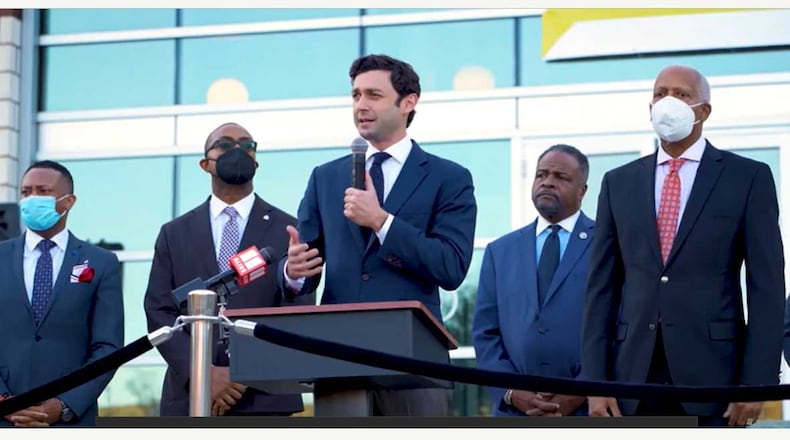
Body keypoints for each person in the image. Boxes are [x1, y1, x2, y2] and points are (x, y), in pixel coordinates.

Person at [581, 65, 785, 427]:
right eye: (660, 94)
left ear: (703, 111)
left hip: (713, 381)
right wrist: (595, 384)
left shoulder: (747, 178)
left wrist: (757, 382)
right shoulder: (618, 182)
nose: (668, 102)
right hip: (631, 380)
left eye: (681, 94)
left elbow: (766, 286)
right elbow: (601, 290)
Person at [279, 54, 477, 416]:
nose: (361, 105)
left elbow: (451, 267)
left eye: (373, 95)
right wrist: (293, 272)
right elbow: (306, 271)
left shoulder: (449, 178)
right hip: (338, 355)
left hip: (416, 361)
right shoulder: (325, 177)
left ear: (409, 102)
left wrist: (382, 221)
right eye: (355, 95)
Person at [144, 122, 309, 417]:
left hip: (265, 400)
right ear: (205, 163)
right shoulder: (174, 233)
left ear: (256, 161)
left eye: (247, 145)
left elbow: (297, 311)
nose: (238, 151)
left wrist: (240, 374)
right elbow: (158, 312)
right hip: (188, 399)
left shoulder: (290, 231)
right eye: (225, 144)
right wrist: (203, 373)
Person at [0, 160, 124, 427]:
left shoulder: (101, 263)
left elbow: (107, 348)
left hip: (70, 422)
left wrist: (65, 404)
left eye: (42, 191)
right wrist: (5, 402)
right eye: (25, 192)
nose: (31, 199)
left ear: (68, 202)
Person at [472, 144, 592, 417]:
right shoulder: (500, 251)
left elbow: (619, 330)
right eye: (541, 175)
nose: (548, 182)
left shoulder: (607, 245)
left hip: (585, 410)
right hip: (515, 413)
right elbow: (485, 334)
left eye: (561, 177)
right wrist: (512, 393)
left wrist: (577, 393)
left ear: (582, 191)